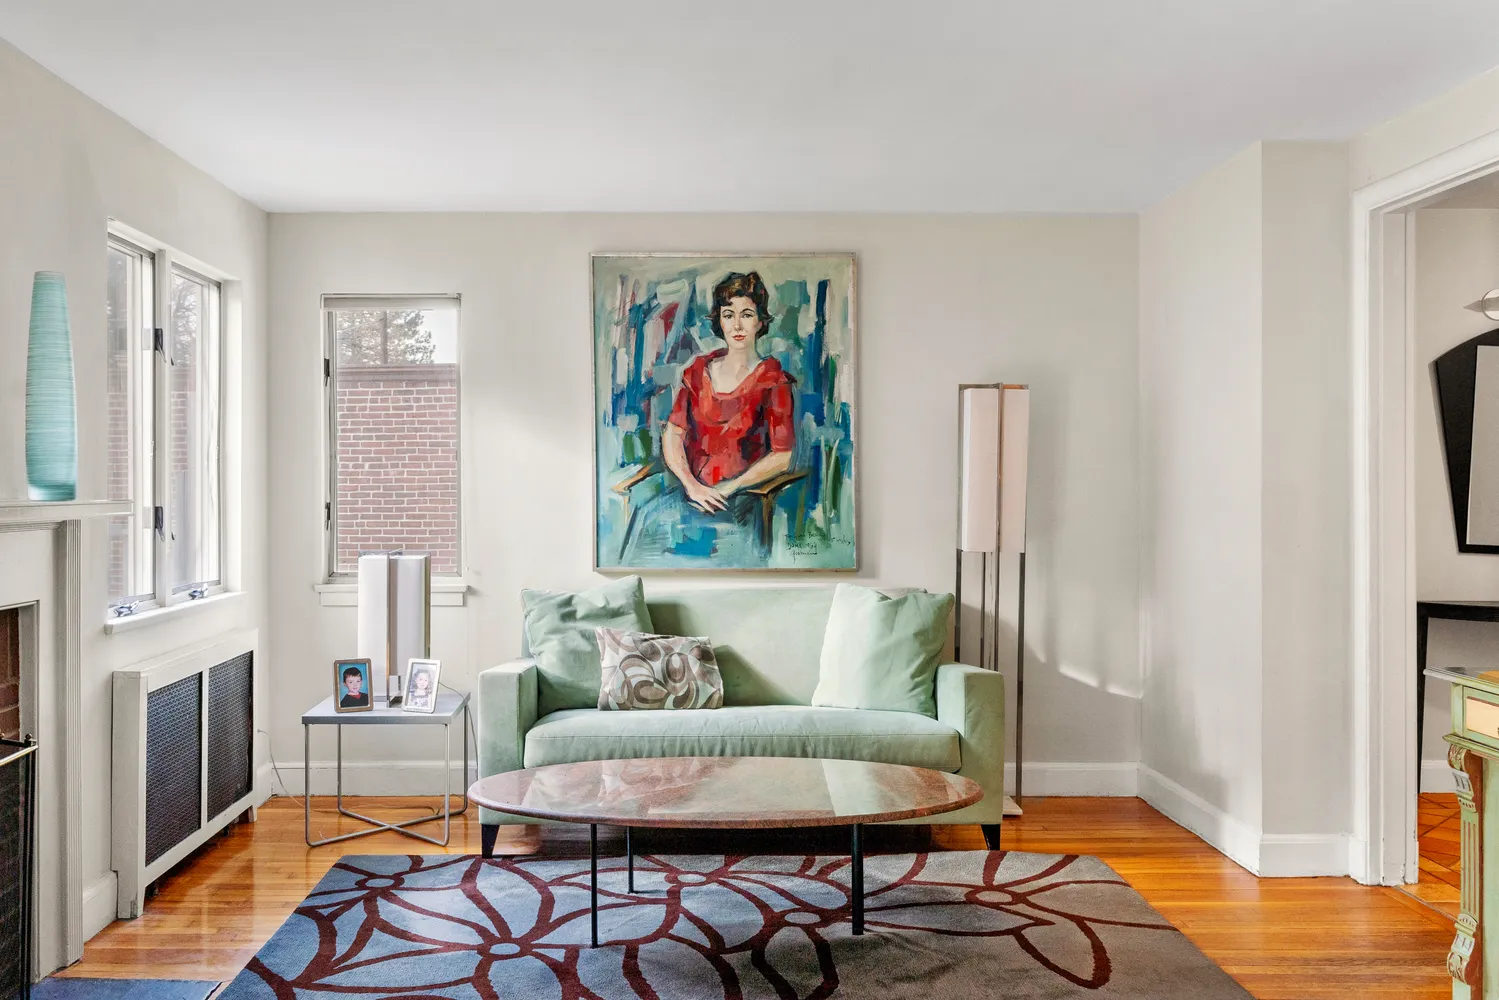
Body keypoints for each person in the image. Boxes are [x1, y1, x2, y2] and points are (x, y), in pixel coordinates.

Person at [624, 271, 796, 563]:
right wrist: (692, 486)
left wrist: (728, 488)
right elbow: (674, 433)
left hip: (740, 498)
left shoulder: (773, 379)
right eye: (729, 315)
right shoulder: (698, 370)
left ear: (759, 321)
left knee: (725, 556)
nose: (737, 325)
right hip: (690, 493)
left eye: (746, 314)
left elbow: (782, 456)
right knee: (647, 530)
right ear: (720, 321)